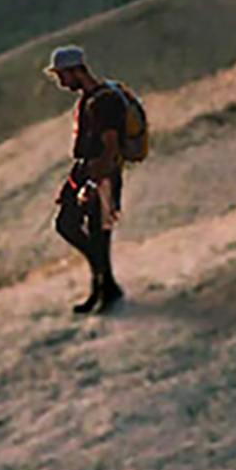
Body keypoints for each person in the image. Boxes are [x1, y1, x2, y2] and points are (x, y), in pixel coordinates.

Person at [46, 43, 138, 313]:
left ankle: (104, 288)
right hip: (88, 172)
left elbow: (110, 146)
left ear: (76, 71)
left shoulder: (103, 102)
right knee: (70, 225)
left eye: (62, 75)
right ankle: (104, 283)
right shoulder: (91, 98)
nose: (61, 82)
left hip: (102, 176)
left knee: (97, 234)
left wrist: (95, 182)